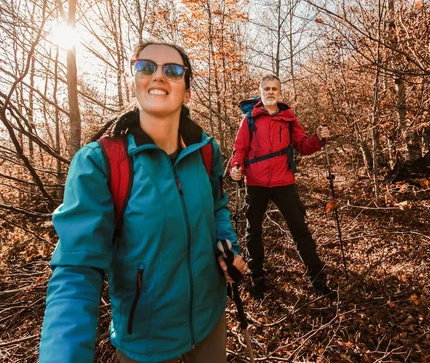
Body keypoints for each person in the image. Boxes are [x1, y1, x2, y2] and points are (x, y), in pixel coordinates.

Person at [39, 41, 245, 363]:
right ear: (134, 82)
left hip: (209, 319)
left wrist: (227, 245)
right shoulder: (101, 162)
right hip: (145, 342)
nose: (159, 76)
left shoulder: (206, 151)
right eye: (146, 67)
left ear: (187, 92)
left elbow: (218, 207)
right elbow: (77, 269)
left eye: (173, 71)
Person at [230, 74, 332, 300]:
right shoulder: (249, 119)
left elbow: (303, 146)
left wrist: (317, 137)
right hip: (255, 184)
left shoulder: (288, 118)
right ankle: (257, 278)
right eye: (266, 88)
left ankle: (318, 279)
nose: (270, 92)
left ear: (279, 92)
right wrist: (236, 167)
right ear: (260, 91)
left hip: (284, 183)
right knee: (253, 231)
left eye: (274, 88)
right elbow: (239, 150)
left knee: (300, 229)